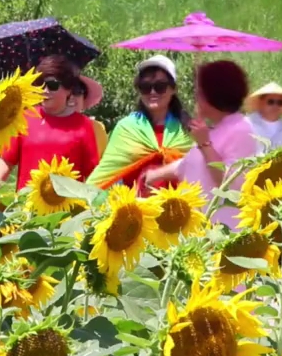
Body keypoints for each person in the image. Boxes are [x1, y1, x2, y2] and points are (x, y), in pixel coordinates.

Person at [143, 60, 256, 228]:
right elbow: (192, 165)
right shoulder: (215, 130)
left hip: (222, 231)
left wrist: (205, 144)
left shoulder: (241, 129)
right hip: (198, 230)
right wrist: (155, 175)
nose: (196, 95)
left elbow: (230, 184)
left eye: (200, 92)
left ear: (216, 95)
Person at [0, 55, 100, 193]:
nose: (45, 91)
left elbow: (93, 174)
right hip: (25, 209)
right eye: (40, 84)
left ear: (68, 90)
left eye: (52, 85)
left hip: (67, 210)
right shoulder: (25, 117)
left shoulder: (83, 126)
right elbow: (6, 160)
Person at [86, 55, 192, 197]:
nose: (153, 92)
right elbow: (104, 173)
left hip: (181, 212)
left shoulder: (188, 129)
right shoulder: (127, 128)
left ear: (173, 89)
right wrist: (82, 202)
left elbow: (202, 169)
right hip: (136, 213)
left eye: (160, 87)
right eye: (145, 87)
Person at [244, 82, 282, 155]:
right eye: (271, 102)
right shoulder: (246, 124)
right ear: (260, 102)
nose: (275, 106)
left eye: (280, 102)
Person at [69, 75, 109, 156]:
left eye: (77, 90)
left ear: (84, 99)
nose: (71, 96)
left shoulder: (96, 128)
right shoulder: (39, 126)